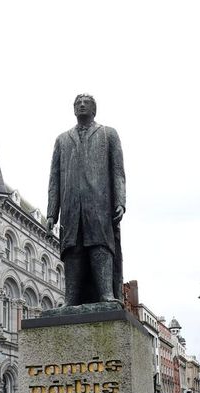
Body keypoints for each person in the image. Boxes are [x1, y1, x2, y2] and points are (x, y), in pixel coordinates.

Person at [47, 94, 126, 306]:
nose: (82, 105)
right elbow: (54, 178)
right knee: (72, 248)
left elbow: (118, 172)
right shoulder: (62, 139)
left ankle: (106, 294)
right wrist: (52, 213)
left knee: (100, 245)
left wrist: (120, 201)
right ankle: (71, 298)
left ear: (94, 109)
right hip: (71, 205)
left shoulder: (108, 134)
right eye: (78, 103)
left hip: (99, 203)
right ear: (73, 110)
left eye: (87, 103)